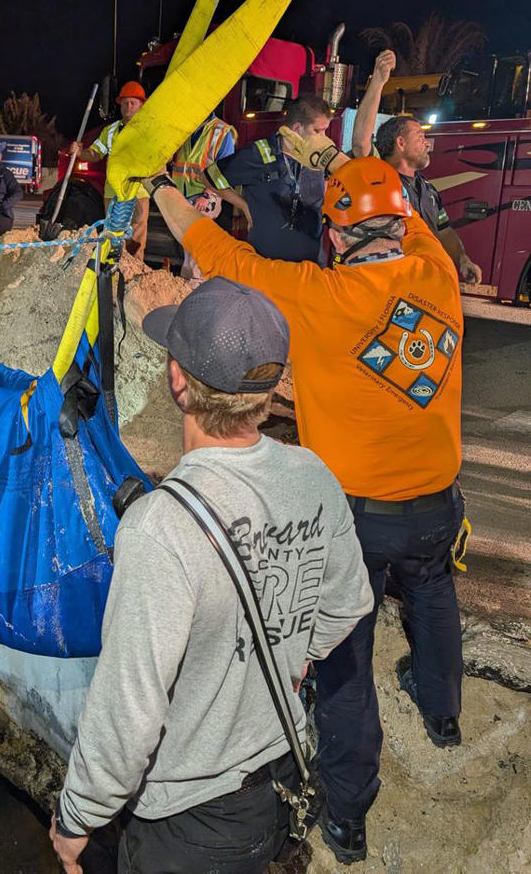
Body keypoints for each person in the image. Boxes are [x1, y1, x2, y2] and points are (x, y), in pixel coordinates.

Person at [143, 148, 466, 865]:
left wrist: (162, 190)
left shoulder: (318, 295)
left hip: (359, 516)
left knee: (345, 664)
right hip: (438, 500)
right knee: (434, 596)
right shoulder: (435, 270)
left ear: (337, 233)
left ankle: (347, 817)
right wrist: (356, 164)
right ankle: (444, 716)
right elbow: (407, 216)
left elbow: (217, 253)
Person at [49, 276, 373, 874]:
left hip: (187, 823)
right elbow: (349, 602)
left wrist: (76, 819)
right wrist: (291, 655)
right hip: (277, 788)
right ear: (272, 389)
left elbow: (128, 714)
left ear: (178, 382)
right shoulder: (313, 476)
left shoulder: (159, 528)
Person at [352, 49, 481, 283]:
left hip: (422, 284)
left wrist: (462, 259)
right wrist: (379, 82)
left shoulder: (429, 190)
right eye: (419, 135)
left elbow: (445, 231)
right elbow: (361, 144)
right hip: (389, 282)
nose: (426, 142)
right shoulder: (380, 179)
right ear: (400, 143)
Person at [203, 94, 332, 262]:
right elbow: (209, 177)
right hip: (266, 263)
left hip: (310, 263)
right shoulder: (259, 153)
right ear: (297, 128)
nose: (324, 138)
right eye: (317, 131)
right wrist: (244, 206)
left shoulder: (319, 156)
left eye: (325, 131)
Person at [70, 81, 150, 260]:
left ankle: (132, 277)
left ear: (141, 105)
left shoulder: (149, 131)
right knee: (113, 236)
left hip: (139, 192)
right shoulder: (110, 131)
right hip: (113, 192)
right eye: (125, 103)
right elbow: (95, 153)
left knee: (136, 238)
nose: (128, 106)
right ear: (120, 105)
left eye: (133, 103)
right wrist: (80, 152)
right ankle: (113, 270)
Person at [172, 114, 237, 285]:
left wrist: (207, 195)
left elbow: (225, 169)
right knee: (189, 248)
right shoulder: (187, 127)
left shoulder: (221, 131)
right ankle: (190, 285)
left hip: (205, 198)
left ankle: (194, 287)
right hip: (184, 196)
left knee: (196, 248)